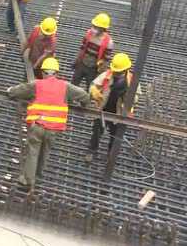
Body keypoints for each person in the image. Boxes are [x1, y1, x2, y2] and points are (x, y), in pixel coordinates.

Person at [7, 58, 89, 191]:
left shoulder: (37, 84)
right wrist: (84, 104)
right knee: (45, 151)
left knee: (33, 152)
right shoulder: (65, 86)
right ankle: (38, 174)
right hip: (54, 129)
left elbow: (18, 90)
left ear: (43, 72)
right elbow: (84, 95)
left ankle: (28, 181)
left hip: (38, 125)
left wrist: (10, 90)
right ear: (56, 73)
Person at [85, 53, 140, 163]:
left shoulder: (132, 81)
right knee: (96, 132)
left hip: (119, 113)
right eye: (115, 71)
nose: (116, 73)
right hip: (103, 109)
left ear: (126, 70)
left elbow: (136, 98)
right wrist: (93, 91)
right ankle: (92, 151)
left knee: (115, 137)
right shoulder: (107, 75)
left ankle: (111, 155)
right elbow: (94, 85)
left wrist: (128, 97)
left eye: (119, 72)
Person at [72, 13, 114, 91]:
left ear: (103, 28)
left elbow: (105, 61)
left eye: (96, 27)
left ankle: (85, 102)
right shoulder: (88, 34)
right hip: (82, 63)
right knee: (74, 83)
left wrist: (101, 74)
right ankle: (69, 100)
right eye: (94, 26)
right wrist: (76, 61)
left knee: (90, 88)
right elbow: (82, 48)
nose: (93, 28)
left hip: (93, 69)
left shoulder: (108, 43)